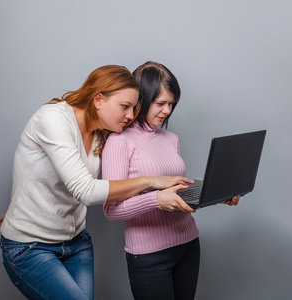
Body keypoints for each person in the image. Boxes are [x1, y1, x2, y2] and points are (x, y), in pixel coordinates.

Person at [0, 65, 195, 300]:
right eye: (125, 107)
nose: (131, 116)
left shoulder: (104, 132)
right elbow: (86, 191)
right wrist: (150, 181)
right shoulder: (53, 118)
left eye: (134, 108)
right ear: (98, 99)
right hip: (30, 247)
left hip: (77, 242)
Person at [102, 61, 240, 300]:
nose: (167, 111)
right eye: (160, 103)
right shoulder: (119, 141)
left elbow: (177, 188)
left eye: (171, 104)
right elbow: (111, 211)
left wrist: (215, 194)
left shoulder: (171, 139)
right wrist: (156, 200)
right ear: (142, 99)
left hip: (188, 245)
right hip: (149, 256)